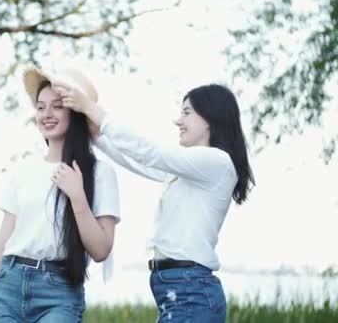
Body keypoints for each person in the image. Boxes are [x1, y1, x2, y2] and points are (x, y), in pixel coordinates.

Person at [55, 82, 255, 322]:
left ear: (212, 116)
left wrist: (91, 108)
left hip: (191, 292)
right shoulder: (190, 170)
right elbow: (142, 162)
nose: (178, 121)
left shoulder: (217, 162)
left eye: (187, 112)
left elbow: (151, 152)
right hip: (180, 291)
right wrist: (98, 136)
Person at [0, 67, 121, 323]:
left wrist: (77, 197)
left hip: (59, 292)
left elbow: (101, 250)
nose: (46, 114)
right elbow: (1, 243)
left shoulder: (100, 173)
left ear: (75, 112)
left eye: (57, 106)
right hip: (9, 284)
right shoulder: (23, 170)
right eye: (40, 107)